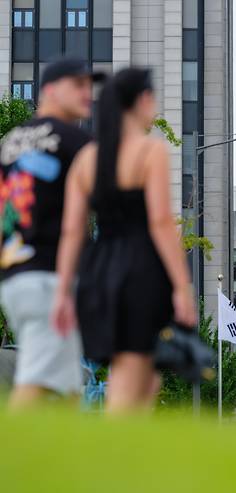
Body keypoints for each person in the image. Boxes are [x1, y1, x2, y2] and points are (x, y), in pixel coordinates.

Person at [52, 68, 197, 415]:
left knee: (146, 378)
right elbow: (161, 222)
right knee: (131, 373)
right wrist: (182, 286)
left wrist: (62, 292)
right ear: (142, 100)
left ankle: (129, 457)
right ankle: (107, 459)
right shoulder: (150, 152)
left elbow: (72, 231)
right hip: (140, 270)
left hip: (98, 272)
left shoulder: (86, 158)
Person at [0, 58, 104, 410]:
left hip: (15, 273)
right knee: (35, 384)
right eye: (77, 84)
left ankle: (64, 459)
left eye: (89, 85)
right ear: (49, 89)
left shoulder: (10, 142)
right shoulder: (75, 141)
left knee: (66, 387)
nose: (87, 93)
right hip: (49, 277)